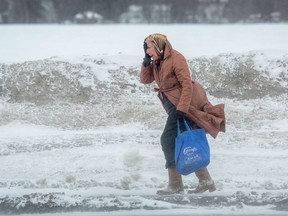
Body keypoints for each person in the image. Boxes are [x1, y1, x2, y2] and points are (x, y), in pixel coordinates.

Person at [140, 33, 225, 195]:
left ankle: (176, 184)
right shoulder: (157, 61)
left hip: (180, 106)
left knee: (167, 140)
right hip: (172, 105)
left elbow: (187, 85)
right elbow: (145, 80)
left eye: (149, 47)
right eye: (145, 48)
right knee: (185, 141)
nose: (147, 51)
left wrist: (182, 109)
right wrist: (145, 64)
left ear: (158, 45)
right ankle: (205, 181)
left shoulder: (176, 58)